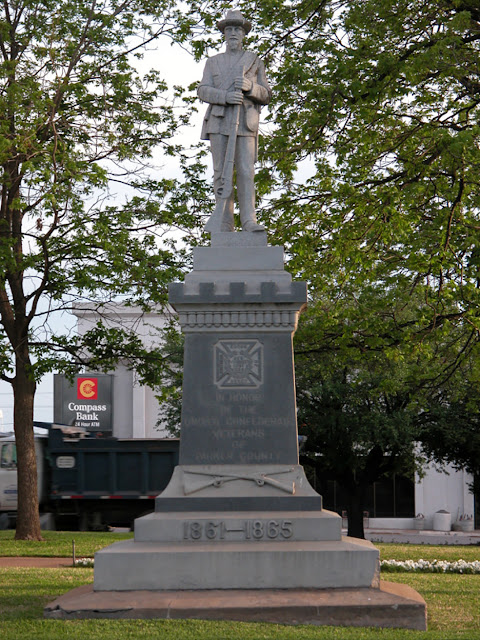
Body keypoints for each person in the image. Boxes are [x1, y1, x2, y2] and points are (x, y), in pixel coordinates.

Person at [198, 10, 271, 232]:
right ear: (223, 33)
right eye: (228, 29)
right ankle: (225, 221)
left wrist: (250, 87)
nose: (232, 33)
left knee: (247, 172)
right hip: (219, 122)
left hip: (245, 123)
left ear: (243, 34)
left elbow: (266, 94)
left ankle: (249, 220)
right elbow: (203, 90)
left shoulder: (254, 61)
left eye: (237, 29)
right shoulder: (213, 62)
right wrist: (225, 97)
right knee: (222, 172)